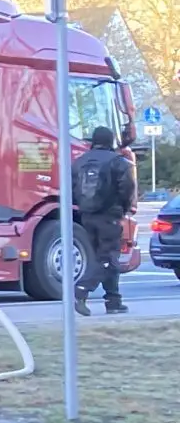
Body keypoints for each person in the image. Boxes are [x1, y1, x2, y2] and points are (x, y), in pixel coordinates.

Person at [71, 123, 135, 316]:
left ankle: (113, 301)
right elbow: (127, 188)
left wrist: (82, 206)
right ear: (110, 141)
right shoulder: (119, 162)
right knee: (108, 259)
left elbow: (71, 188)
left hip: (87, 216)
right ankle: (82, 290)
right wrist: (123, 209)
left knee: (101, 257)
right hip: (109, 216)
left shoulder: (79, 162)